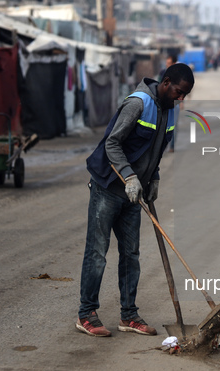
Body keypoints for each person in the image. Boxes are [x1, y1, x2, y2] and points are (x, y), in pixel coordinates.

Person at [76, 63, 194, 337]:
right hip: (108, 186)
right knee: (97, 252)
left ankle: (128, 315)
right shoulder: (137, 104)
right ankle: (86, 314)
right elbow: (112, 143)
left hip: (134, 193)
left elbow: (157, 150)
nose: (181, 99)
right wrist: (129, 176)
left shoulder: (170, 110)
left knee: (131, 254)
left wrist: (153, 179)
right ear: (165, 83)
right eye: (179, 92)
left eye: (185, 95)